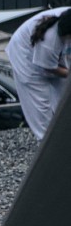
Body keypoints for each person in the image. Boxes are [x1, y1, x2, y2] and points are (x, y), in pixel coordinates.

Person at [5, 7, 71, 140]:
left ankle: (65, 133)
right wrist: (68, 73)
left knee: (65, 96)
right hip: (26, 57)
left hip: (55, 56)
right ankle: (47, 141)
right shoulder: (49, 40)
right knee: (40, 104)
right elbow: (49, 68)